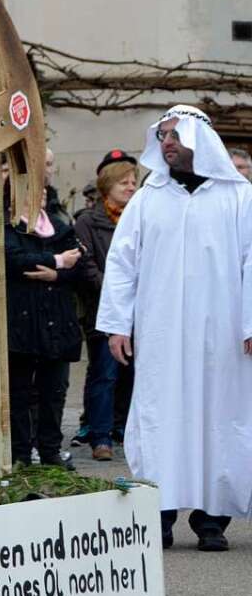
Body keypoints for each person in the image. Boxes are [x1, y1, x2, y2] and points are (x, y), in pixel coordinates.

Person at [98, 105, 252, 552]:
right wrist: (116, 325)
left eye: (174, 135)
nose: (166, 142)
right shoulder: (149, 198)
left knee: (221, 418)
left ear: (198, 141)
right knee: (160, 417)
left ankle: (211, 520)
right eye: (162, 135)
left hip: (222, 337)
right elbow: (123, 264)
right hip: (161, 331)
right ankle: (158, 515)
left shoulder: (238, 198)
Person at [4, 183, 83, 469]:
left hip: (57, 324)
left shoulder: (61, 228)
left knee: (54, 393)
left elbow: (80, 267)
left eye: (45, 193)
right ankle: (21, 456)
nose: (42, 196)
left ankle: (50, 452)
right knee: (20, 395)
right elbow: (15, 261)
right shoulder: (9, 229)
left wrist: (56, 275)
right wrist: (57, 260)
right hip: (22, 326)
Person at [73, 150, 138, 461]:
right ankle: (100, 436)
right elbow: (86, 267)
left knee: (131, 373)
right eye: (124, 182)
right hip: (103, 312)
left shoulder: (139, 217)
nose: (131, 187)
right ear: (107, 185)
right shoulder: (88, 221)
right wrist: (119, 292)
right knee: (105, 372)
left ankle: (122, 427)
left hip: (138, 311)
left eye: (133, 182)